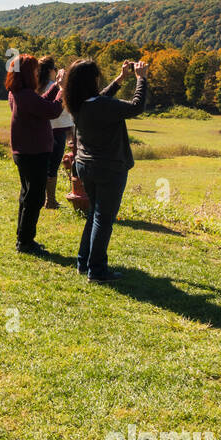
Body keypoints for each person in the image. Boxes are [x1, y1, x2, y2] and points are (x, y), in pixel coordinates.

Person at [63, 58, 148, 282]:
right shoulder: (102, 106)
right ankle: (97, 271)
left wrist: (120, 79)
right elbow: (136, 107)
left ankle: (84, 262)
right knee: (103, 218)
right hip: (109, 168)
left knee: (94, 215)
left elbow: (100, 98)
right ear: (92, 80)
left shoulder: (78, 103)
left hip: (85, 166)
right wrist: (141, 79)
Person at [7, 54, 63, 254]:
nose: (37, 74)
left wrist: (55, 87)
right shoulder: (25, 95)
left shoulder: (17, 93)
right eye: (34, 70)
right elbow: (53, 110)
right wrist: (62, 92)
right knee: (35, 198)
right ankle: (26, 241)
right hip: (34, 152)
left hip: (24, 151)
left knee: (27, 195)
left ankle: (23, 238)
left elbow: (41, 105)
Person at [38, 56, 74, 209]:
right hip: (58, 129)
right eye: (54, 69)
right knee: (53, 166)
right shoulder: (54, 87)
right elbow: (62, 109)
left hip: (43, 129)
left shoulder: (38, 86)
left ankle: (45, 198)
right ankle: (50, 200)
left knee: (44, 165)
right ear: (50, 71)